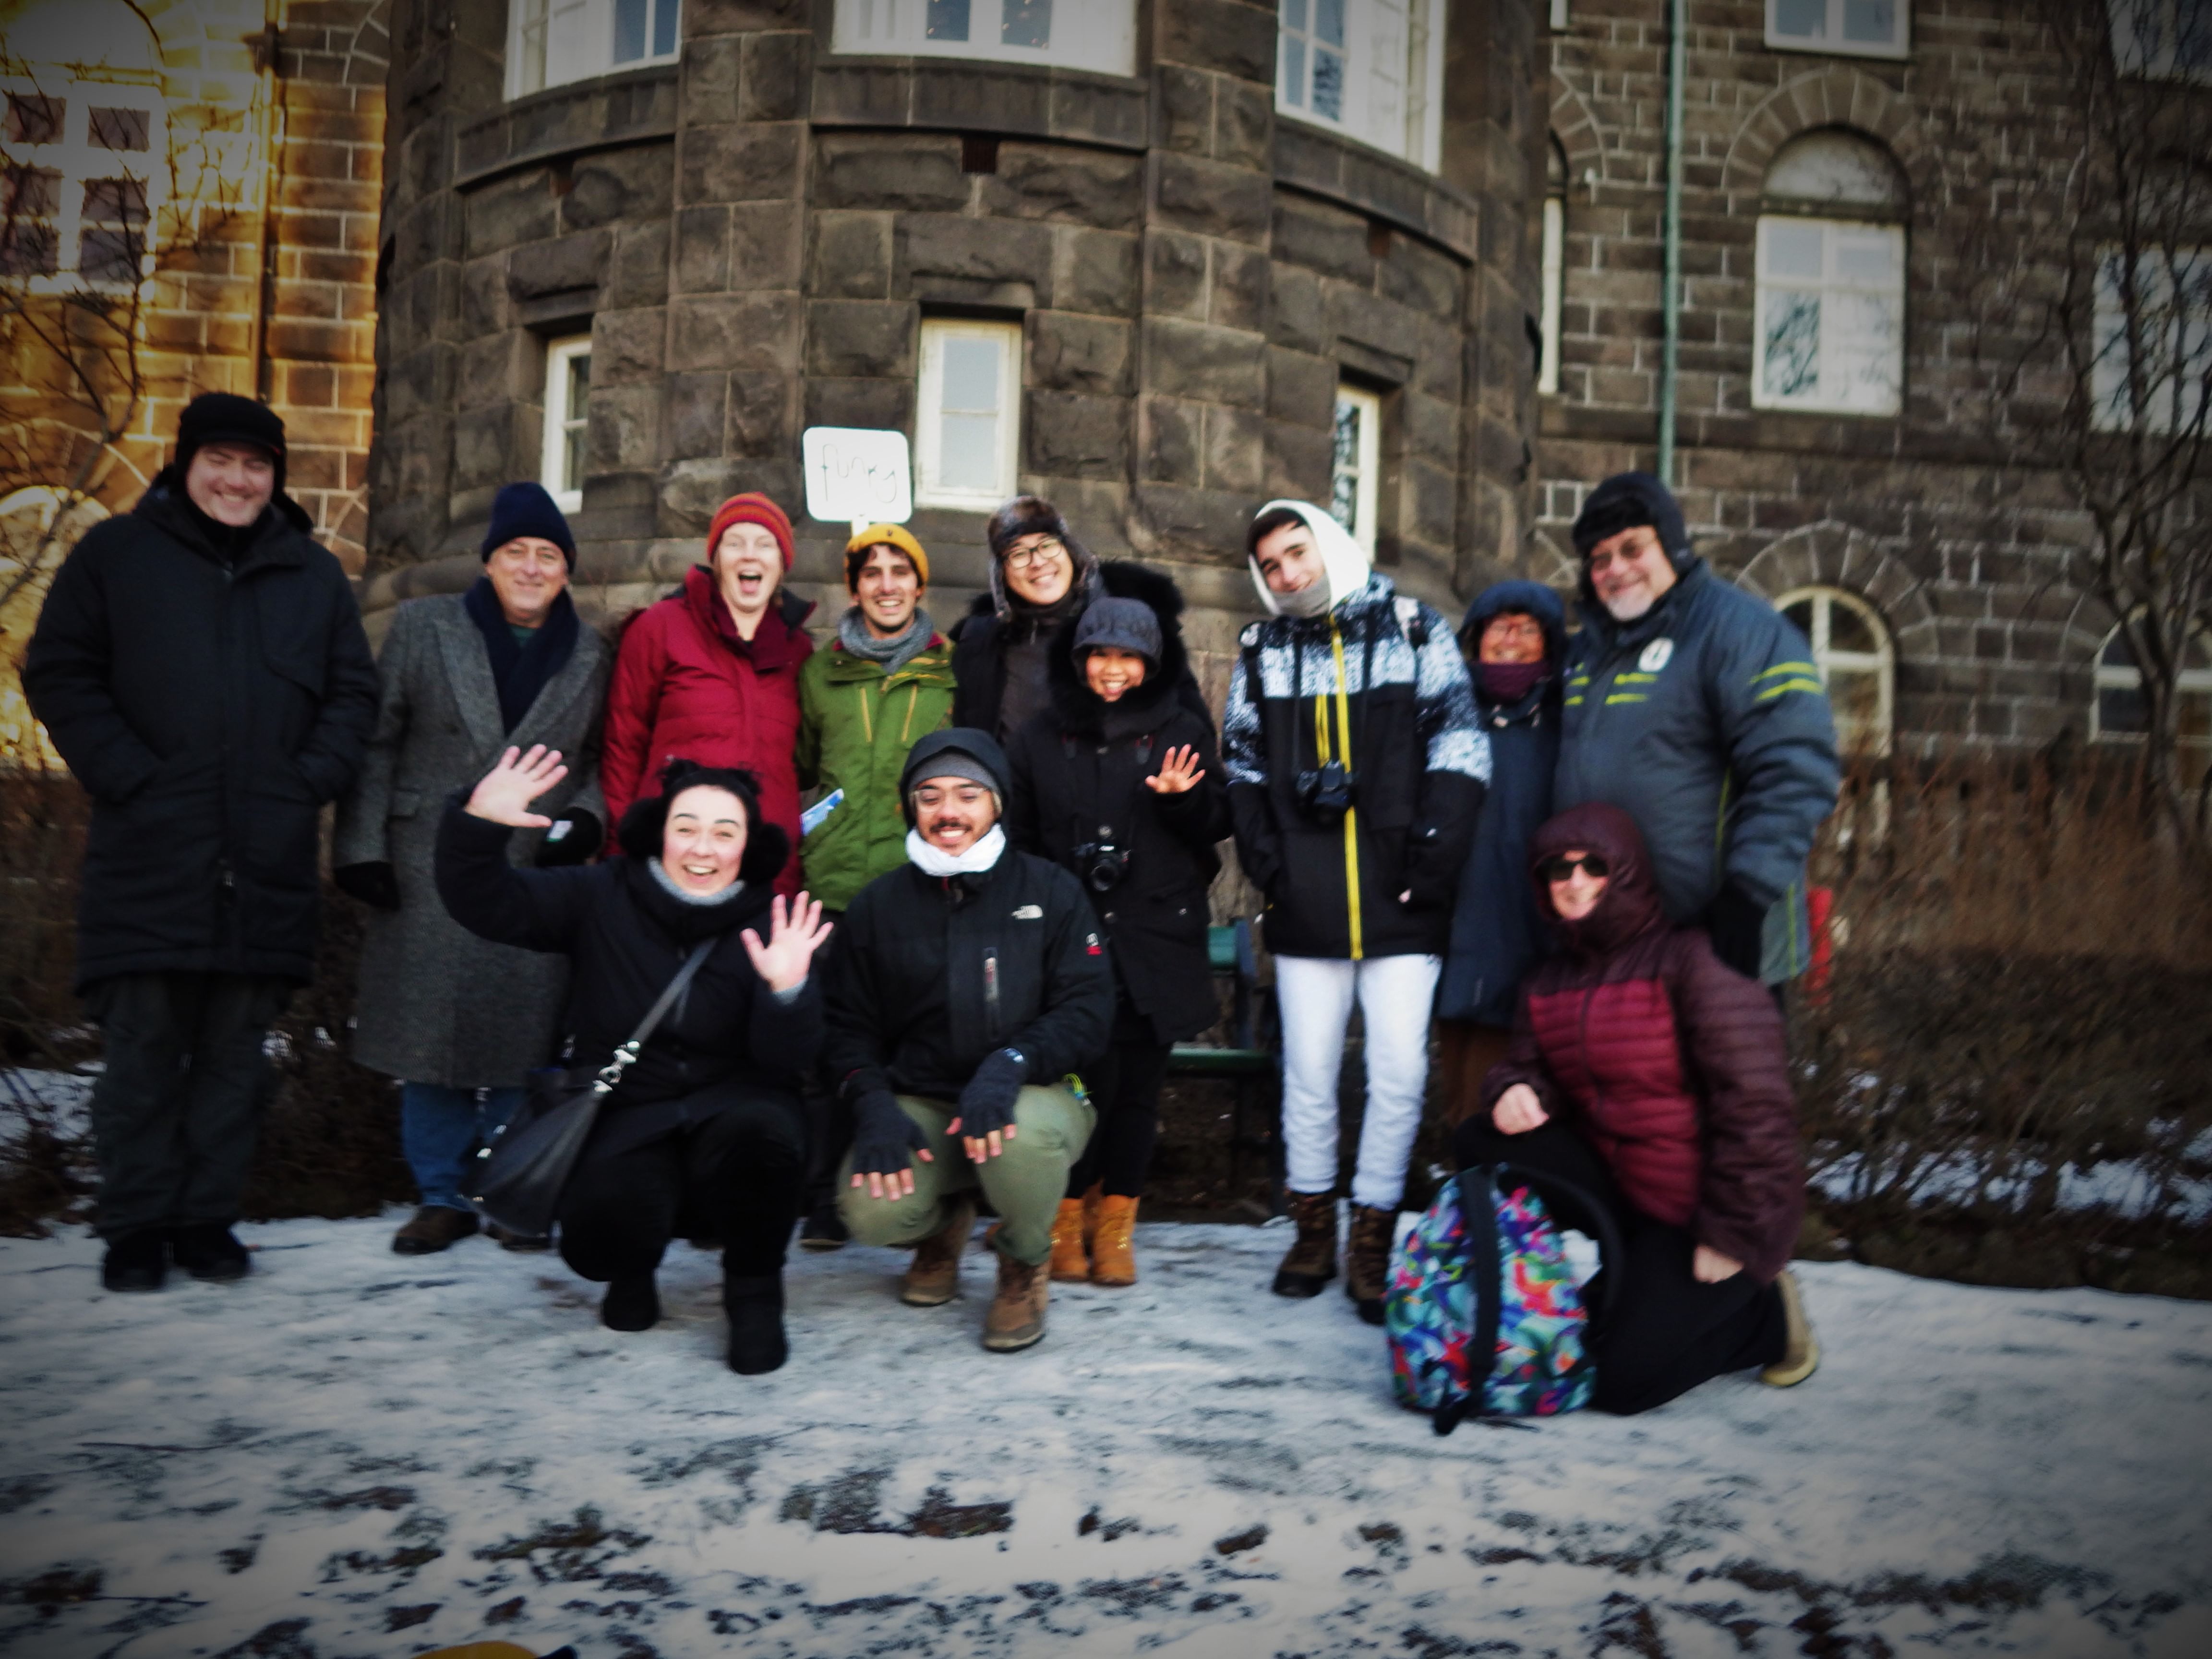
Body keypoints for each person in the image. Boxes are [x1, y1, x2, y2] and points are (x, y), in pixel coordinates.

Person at [22, 392, 378, 1292]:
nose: (237, 479)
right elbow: (59, 669)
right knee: (141, 1055)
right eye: (221, 460)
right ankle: (137, 1226)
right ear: (185, 463)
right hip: (150, 852)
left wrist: (308, 780)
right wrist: (127, 773)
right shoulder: (117, 556)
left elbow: (352, 698)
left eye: (256, 465)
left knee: (233, 1063)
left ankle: (207, 1221)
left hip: (265, 860)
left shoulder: (312, 574)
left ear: (276, 477)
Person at [436, 748, 832, 1374]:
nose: (703, 848)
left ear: (748, 845)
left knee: (770, 1136)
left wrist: (787, 993)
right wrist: (478, 825)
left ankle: (754, 1288)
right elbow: (488, 904)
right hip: (625, 1111)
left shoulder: (769, 918)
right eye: (688, 827)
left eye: (725, 833)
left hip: (733, 1113)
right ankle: (633, 1269)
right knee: (601, 1233)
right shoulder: (600, 893)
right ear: (661, 831)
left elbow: (790, 1060)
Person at [1456, 801, 1818, 1413]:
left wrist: (1731, 1232)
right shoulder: (1548, 980)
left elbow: (1757, 1105)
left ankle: (1767, 1315)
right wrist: (1514, 1090)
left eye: (1593, 865)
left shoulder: (1695, 958)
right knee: (1478, 1137)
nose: (1574, 881)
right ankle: (1624, 1269)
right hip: (1629, 1202)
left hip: (1706, 1213)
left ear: (1626, 872)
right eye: (1558, 870)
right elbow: (1528, 1064)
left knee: (1621, 1384)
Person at [1222, 499, 1489, 1322]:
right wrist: (1273, 870)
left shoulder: (1412, 628)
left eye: (1295, 553)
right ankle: (1312, 1230)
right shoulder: (1261, 651)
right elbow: (1241, 767)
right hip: (1305, 908)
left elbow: (1458, 743)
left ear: (1328, 545)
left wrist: (1430, 859)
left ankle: (1373, 1234)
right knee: (1305, 1071)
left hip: (1401, 903)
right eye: (1270, 566)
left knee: (1399, 1074)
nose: (1286, 574)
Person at [334, 482, 611, 1256]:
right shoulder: (426, 628)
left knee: (522, 1042)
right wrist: (361, 848)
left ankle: (508, 1188)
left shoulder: (588, 652)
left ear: (565, 571)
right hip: (425, 857)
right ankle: (440, 1196)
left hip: (531, 864)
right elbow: (379, 742)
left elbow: (592, 756)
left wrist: (583, 818)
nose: (530, 567)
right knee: (432, 1043)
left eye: (547, 556)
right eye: (515, 552)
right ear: (489, 563)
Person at [828, 729, 1115, 1352]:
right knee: (869, 1208)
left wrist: (1012, 1062)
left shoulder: (1050, 890)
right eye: (929, 797)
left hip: (1034, 1095)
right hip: (926, 1103)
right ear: (910, 807)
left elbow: (1088, 1009)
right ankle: (942, 1230)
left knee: (1019, 1136)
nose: (948, 812)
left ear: (997, 805)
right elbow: (848, 1027)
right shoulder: (879, 907)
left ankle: (1022, 1264)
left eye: (967, 794)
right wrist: (872, 1104)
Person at [1005, 577, 1231, 1287]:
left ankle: (1117, 1227)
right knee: (1084, 1086)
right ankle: (1066, 1216)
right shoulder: (1043, 735)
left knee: (1138, 1090)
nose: (1113, 670)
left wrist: (1186, 801)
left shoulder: (1183, 729)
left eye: (1129, 658)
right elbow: (1024, 835)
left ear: (1153, 663)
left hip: (1157, 937)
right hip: (1075, 940)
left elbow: (1216, 827)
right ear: (1079, 659)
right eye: (1100, 654)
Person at [1559, 472, 1839, 985]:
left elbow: (1796, 770)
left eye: (1632, 548)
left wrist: (1749, 890)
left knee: (1726, 1065)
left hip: (1721, 936)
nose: (1616, 569)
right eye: (1600, 559)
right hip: (1616, 940)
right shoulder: (1586, 653)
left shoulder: (1742, 632)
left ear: (1671, 545)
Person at [791, 522, 955, 1249]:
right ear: (853, 587)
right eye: (871, 572)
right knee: (826, 1049)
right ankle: (825, 1195)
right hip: (831, 887)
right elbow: (803, 768)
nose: (886, 584)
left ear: (920, 586)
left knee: (903, 1048)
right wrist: (813, 830)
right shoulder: (820, 672)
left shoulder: (950, 673)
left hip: (913, 888)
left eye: (900, 571)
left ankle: (906, 1188)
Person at [601, 493, 814, 897]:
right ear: (716, 560)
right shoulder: (660, 628)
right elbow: (623, 747)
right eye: (735, 543)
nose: (750, 555)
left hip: (765, 870)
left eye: (765, 544)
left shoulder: (799, 651)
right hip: (675, 862)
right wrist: (617, 855)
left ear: (782, 565)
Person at [1434, 581, 1569, 1120]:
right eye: (1498, 626)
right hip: (1454, 922)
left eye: (1528, 628)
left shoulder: (1564, 721)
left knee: (1501, 1091)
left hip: (1527, 926)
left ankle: (1488, 1195)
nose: (1511, 638)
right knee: (1458, 1087)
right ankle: (1470, 1192)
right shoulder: (1447, 710)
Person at [950, 494, 1210, 743]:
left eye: (1048, 544)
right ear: (1001, 575)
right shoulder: (981, 642)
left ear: (1071, 551)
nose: (1038, 562)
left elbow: (1191, 725)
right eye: (1018, 554)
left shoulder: (1134, 620)